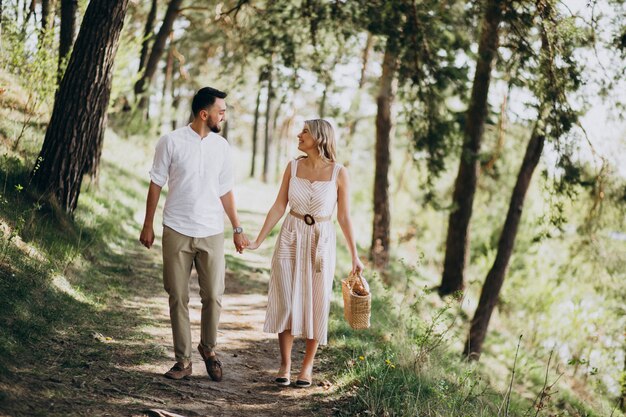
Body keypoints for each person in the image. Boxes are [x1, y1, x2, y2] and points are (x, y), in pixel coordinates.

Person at [139, 87, 249, 382]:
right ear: (205, 114)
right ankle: (183, 361)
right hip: (176, 228)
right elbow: (156, 183)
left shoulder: (221, 147)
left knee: (214, 295)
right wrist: (148, 224)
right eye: (220, 111)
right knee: (178, 296)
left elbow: (225, 190)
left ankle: (208, 349)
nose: (223, 116)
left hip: (211, 231)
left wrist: (237, 228)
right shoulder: (171, 141)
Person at [247, 119, 364, 388]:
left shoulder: (339, 173)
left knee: (317, 301)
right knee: (285, 298)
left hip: (321, 240)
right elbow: (279, 205)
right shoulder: (293, 166)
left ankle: (307, 368)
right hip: (290, 234)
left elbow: (344, 217)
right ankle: (285, 364)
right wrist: (258, 240)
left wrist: (355, 256)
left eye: (305, 132)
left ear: (320, 138)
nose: (299, 135)